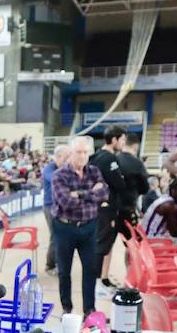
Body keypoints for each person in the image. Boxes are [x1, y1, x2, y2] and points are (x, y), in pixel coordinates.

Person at [51, 135, 107, 316]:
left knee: (90, 269)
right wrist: (91, 193)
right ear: (71, 153)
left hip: (89, 227)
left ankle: (89, 310)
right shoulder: (60, 175)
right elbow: (66, 201)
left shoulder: (94, 172)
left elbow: (104, 194)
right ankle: (67, 308)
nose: (82, 156)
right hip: (64, 227)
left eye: (85, 152)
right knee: (64, 271)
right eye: (78, 152)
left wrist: (79, 194)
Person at [91, 127, 147, 292]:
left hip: (101, 207)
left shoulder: (95, 156)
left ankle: (104, 279)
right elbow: (119, 184)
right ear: (114, 140)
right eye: (121, 139)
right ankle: (97, 283)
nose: (123, 143)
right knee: (102, 245)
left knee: (105, 244)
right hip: (107, 208)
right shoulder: (109, 159)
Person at [40, 144, 68, 273]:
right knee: (56, 235)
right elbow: (55, 179)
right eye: (66, 156)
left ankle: (54, 263)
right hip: (50, 206)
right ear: (58, 156)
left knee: (59, 235)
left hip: (61, 205)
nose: (68, 159)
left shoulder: (65, 168)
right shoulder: (49, 168)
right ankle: (52, 265)